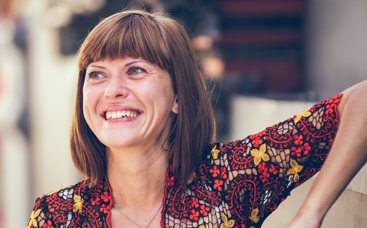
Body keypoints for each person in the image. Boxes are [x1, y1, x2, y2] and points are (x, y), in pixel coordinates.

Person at [27, 9, 367, 228]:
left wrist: (309, 215)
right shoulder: (56, 217)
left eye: (135, 70)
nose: (113, 89)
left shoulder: (230, 178)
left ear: (177, 95)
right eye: (97, 74)